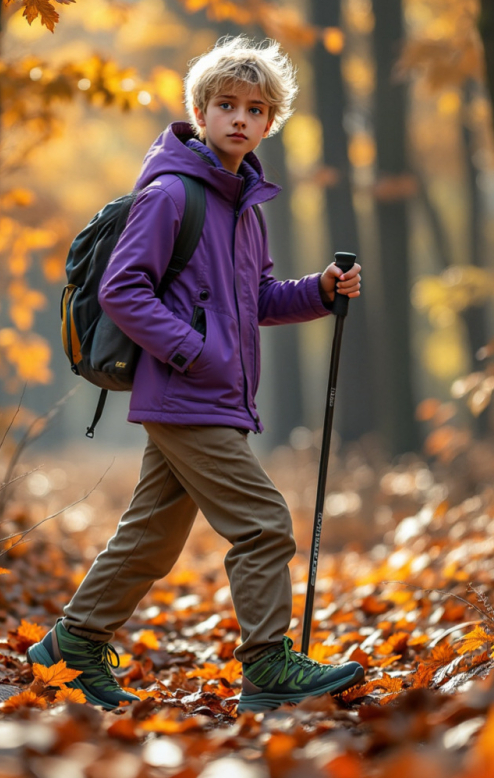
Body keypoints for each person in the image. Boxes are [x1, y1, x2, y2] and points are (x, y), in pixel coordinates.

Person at [28, 35, 364, 713]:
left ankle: (72, 645)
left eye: (255, 108)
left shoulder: (245, 209)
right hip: (187, 392)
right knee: (264, 523)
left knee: (151, 536)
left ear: (270, 122)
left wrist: (319, 291)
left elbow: (257, 299)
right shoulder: (171, 195)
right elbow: (125, 290)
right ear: (200, 111)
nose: (239, 118)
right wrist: (192, 352)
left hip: (215, 395)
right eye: (225, 105)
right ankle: (267, 664)